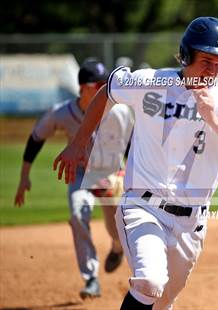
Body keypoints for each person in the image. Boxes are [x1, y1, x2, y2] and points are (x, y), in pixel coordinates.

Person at [53, 16, 218, 310]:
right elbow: (108, 90)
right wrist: (78, 141)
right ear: (186, 54)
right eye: (206, 60)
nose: (212, 70)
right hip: (143, 206)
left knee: (162, 302)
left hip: (192, 223)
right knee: (150, 282)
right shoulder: (152, 81)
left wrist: (212, 118)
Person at [14, 59, 132, 299]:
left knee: (117, 229)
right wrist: (24, 177)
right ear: (82, 87)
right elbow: (36, 138)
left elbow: (133, 146)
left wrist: (128, 177)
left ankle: (117, 248)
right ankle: (91, 279)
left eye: (104, 82)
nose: (103, 87)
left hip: (110, 175)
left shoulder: (119, 111)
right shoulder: (63, 112)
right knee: (78, 214)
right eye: (97, 83)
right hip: (79, 173)